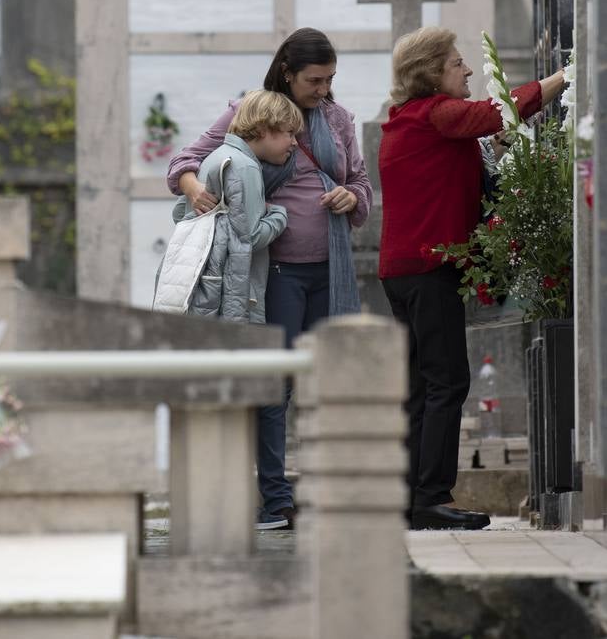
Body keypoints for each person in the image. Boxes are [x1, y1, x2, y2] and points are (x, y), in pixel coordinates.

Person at [168, 27, 372, 531]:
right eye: (314, 80)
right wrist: (195, 190)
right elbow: (185, 161)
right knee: (275, 386)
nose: (323, 90)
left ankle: (331, 493)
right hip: (277, 272)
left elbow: (362, 183)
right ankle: (275, 498)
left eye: (330, 80)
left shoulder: (339, 120)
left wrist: (352, 198)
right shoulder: (252, 114)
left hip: (333, 268)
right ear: (287, 72)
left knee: (329, 383)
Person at [378, 26, 565, 531]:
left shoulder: (412, 120)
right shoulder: (434, 113)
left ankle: (412, 498)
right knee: (447, 382)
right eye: (457, 63)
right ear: (432, 73)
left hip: (405, 271)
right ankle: (431, 497)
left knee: (421, 387)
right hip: (427, 269)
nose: (467, 70)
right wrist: (565, 77)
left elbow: (470, 151)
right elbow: (498, 111)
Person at [153, 90, 302, 323]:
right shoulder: (246, 167)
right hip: (233, 291)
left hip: (199, 283)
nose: (294, 142)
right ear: (263, 129)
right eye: (290, 133)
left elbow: (180, 213)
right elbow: (250, 237)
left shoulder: (215, 156)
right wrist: (278, 214)